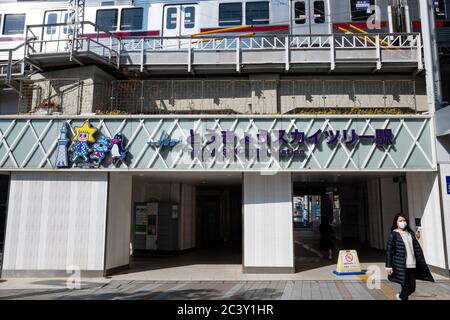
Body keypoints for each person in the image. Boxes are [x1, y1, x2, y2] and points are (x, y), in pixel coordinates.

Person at [385, 213, 434, 300]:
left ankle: (400, 296)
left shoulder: (409, 233)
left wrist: (422, 263)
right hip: (401, 266)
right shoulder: (393, 234)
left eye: (404, 221)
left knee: (412, 287)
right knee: (406, 287)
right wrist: (388, 266)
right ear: (396, 222)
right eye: (400, 221)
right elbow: (389, 251)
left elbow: (416, 249)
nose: (402, 222)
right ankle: (402, 297)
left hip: (412, 264)